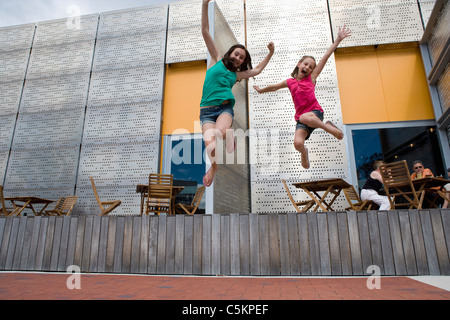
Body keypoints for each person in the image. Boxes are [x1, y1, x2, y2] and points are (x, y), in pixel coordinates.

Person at [253, 26, 351, 169]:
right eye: (305, 64)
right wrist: (261, 90)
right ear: (299, 64)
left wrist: (338, 40)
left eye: (310, 66)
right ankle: (304, 152)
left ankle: (328, 127)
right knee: (298, 143)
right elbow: (274, 87)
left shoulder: (312, 78)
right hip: (302, 118)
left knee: (304, 118)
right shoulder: (290, 82)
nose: (307, 67)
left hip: (315, 113)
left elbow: (326, 55)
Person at [200, 0, 275, 187]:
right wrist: (204, 4)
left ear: (242, 63)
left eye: (241, 57)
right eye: (236, 54)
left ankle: (229, 132)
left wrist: (270, 53)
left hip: (224, 108)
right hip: (206, 111)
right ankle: (214, 167)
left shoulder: (237, 75)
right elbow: (205, 31)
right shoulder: (216, 58)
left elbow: (256, 71)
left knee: (220, 132)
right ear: (229, 53)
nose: (238, 57)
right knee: (209, 143)